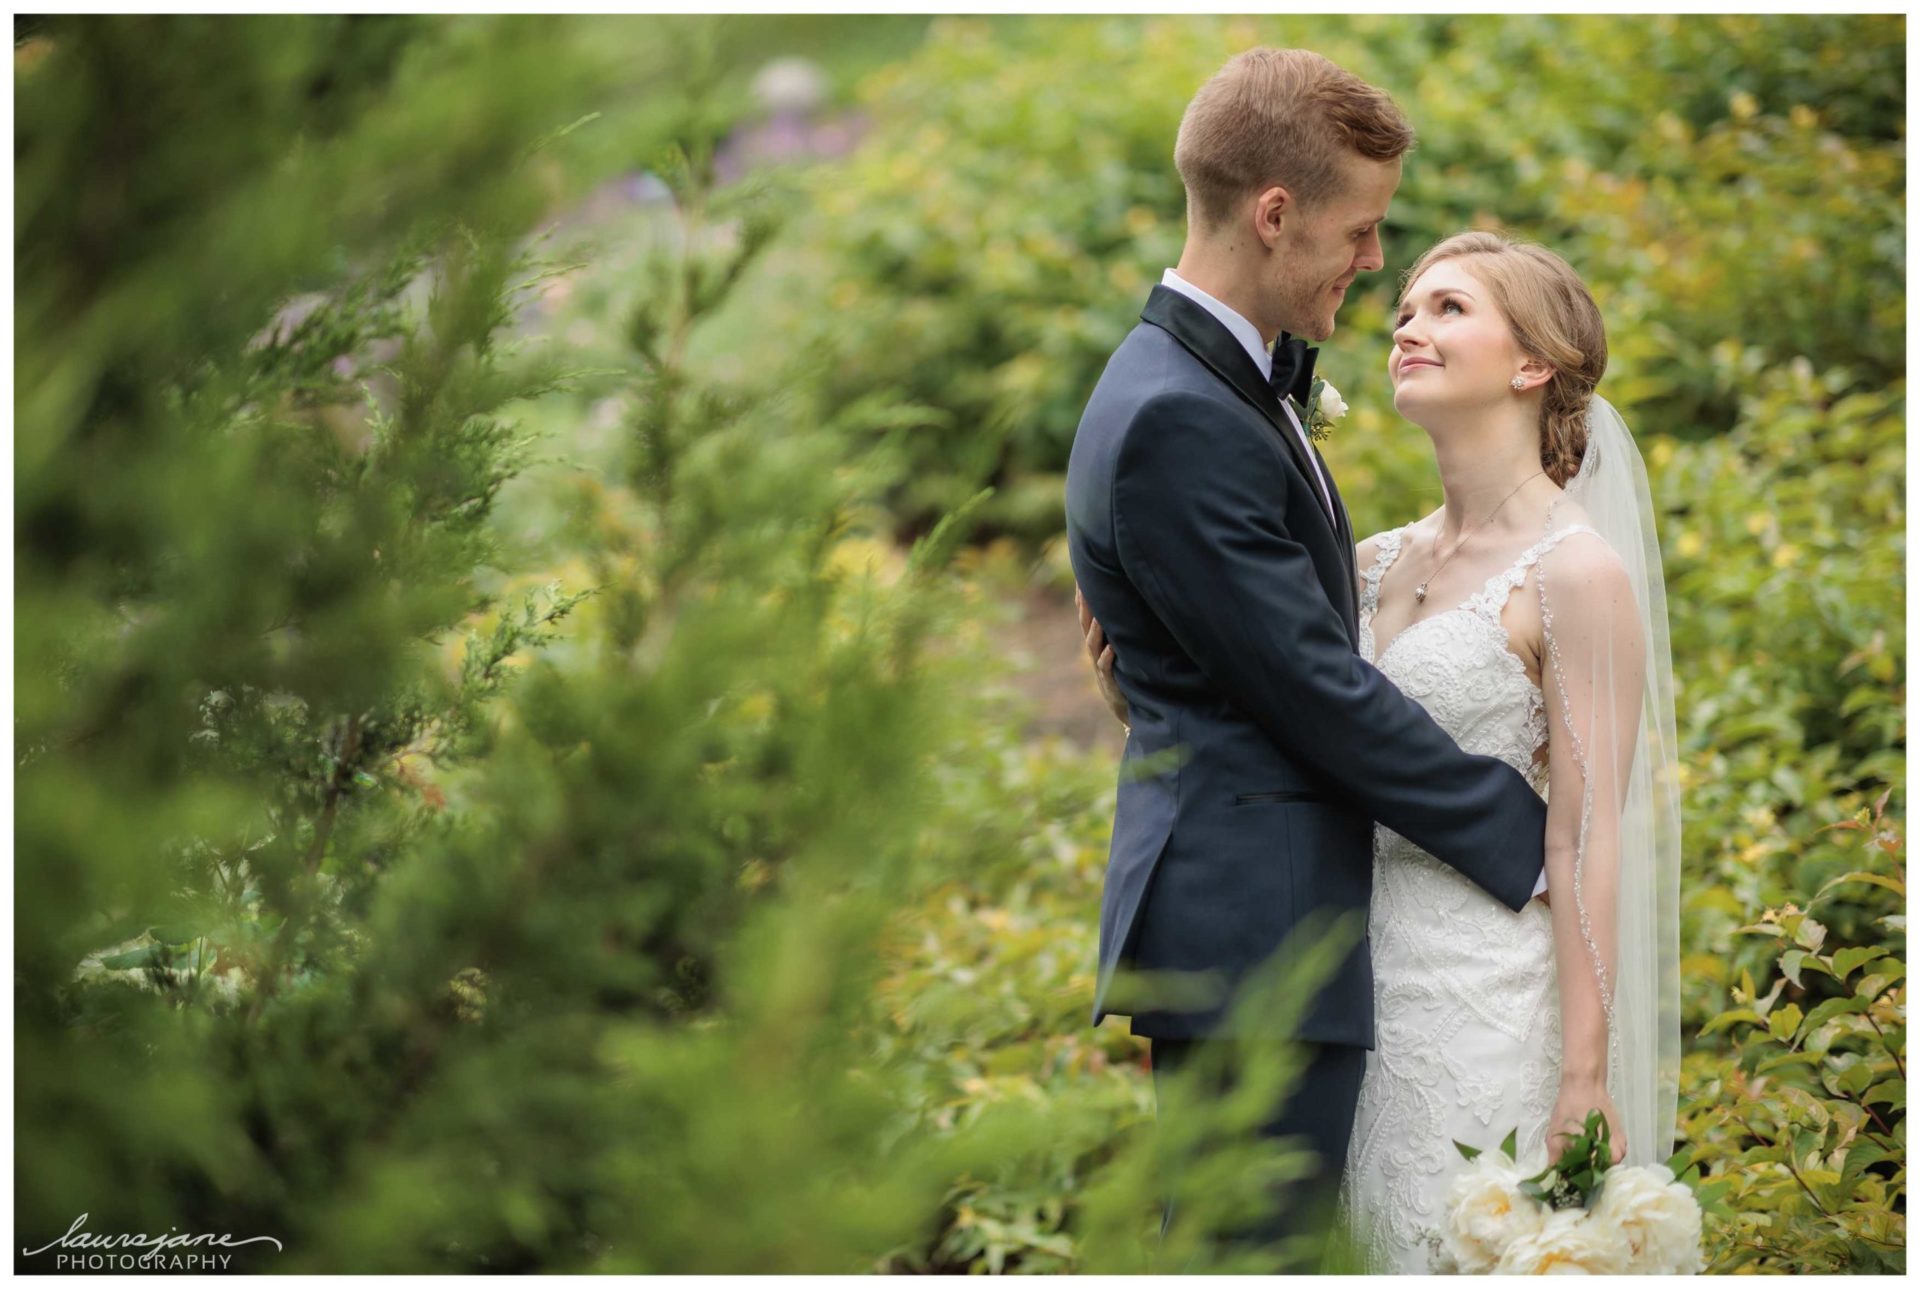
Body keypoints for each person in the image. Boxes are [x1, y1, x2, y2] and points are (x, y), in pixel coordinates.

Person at [1080, 231, 1682, 1272]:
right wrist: (1135, 683)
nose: (1409, 323)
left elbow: (1587, 839)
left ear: (1534, 362)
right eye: (1405, 306)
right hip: (1348, 982)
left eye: (1450, 308)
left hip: (1488, 995)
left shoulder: (1578, 576)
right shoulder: (1367, 562)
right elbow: (1295, 715)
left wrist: (1586, 1074)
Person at [1063, 49, 1553, 1268]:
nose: (1378, 262)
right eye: (1363, 228)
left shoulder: (1212, 381)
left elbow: (1254, 650)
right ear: (1275, 214)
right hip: (1256, 937)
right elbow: (1313, 689)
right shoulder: (1181, 413)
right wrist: (1530, 834)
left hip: (1267, 911)